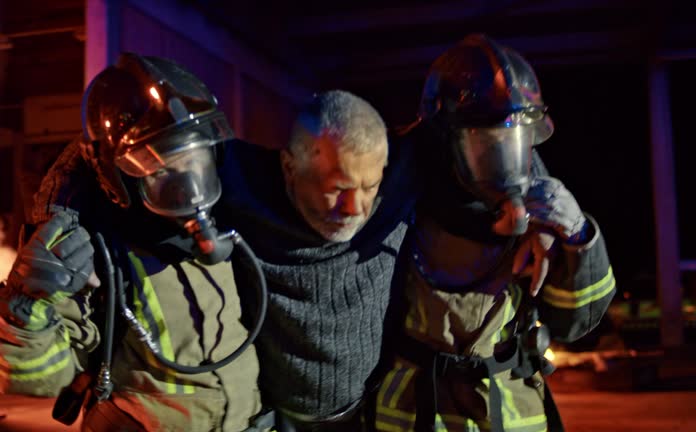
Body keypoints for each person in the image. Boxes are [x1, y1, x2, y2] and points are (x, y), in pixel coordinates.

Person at [0, 53, 264, 431]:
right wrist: (29, 305)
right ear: (119, 178)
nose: (188, 188)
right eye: (164, 171)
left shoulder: (235, 220)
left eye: (195, 164)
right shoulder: (95, 253)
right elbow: (38, 378)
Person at [373, 34, 616, 432]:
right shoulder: (394, 197)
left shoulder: (544, 213)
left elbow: (577, 323)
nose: (503, 162)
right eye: (486, 142)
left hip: (510, 410)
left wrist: (579, 238)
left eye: (513, 142)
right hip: (413, 411)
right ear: (444, 137)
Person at [217, 89, 420, 431]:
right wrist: (89, 236)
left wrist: (535, 196)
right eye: (338, 188)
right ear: (289, 167)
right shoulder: (240, 183)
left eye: (369, 187)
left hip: (371, 412)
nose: (355, 209)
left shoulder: (399, 183)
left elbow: (487, 132)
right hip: (275, 418)